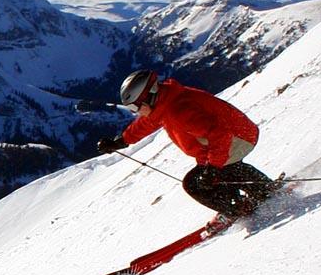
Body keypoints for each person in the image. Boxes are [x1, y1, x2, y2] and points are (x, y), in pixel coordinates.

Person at [97, 69, 278, 218]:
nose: (135, 112)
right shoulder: (165, 102)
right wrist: (121, 141)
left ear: (149, 97)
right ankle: (261, 191)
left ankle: (241, 208)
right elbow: (148, 122)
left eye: (135, 107)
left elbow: (220, 134)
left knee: (196, 183)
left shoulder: (179, 111)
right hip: (236, 133)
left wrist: (213, 167)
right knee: (215, 174)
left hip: (237, 137)